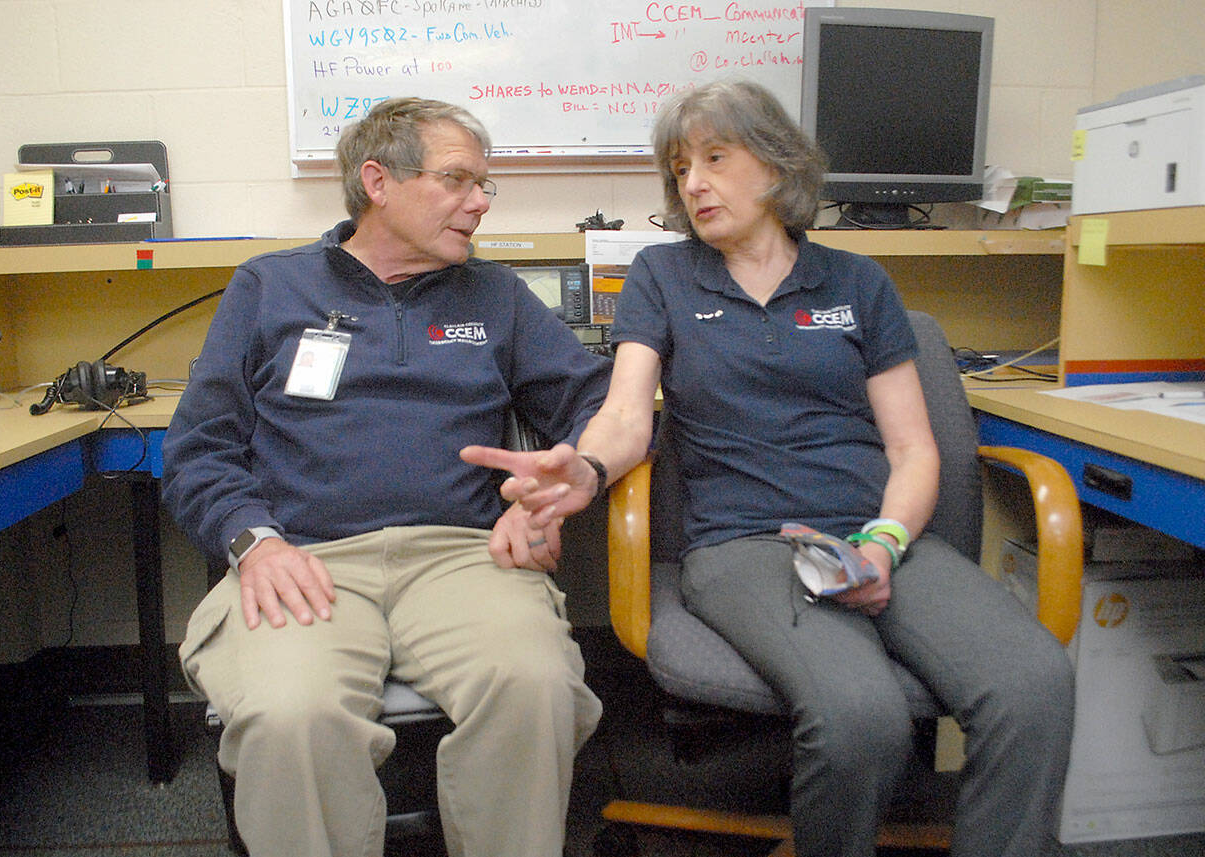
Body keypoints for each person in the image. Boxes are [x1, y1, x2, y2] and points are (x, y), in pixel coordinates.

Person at [462, 79, 1074, 857]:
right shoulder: (663, 276)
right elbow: (624, 416)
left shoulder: (858, 283)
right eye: (681, 167)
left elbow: (914, 450)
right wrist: (586, 468)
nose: (694, 182)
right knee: (860, 714)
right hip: (744, 545)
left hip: (880, 533)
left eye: (716, 158)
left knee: (1034, 687)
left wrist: (883, 544)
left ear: (780, 164)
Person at [163, 97, 610, 857]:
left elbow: (602, 404)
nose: (480, 202)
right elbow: (198, 447)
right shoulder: (270, 287)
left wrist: (560, 486)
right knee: (291, 715)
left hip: (463, 556)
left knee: (535, 689)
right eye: (457, 180)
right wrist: (254, 542)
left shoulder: (496, 295)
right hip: (307, 556)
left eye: (484, 184)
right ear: (378, 181)